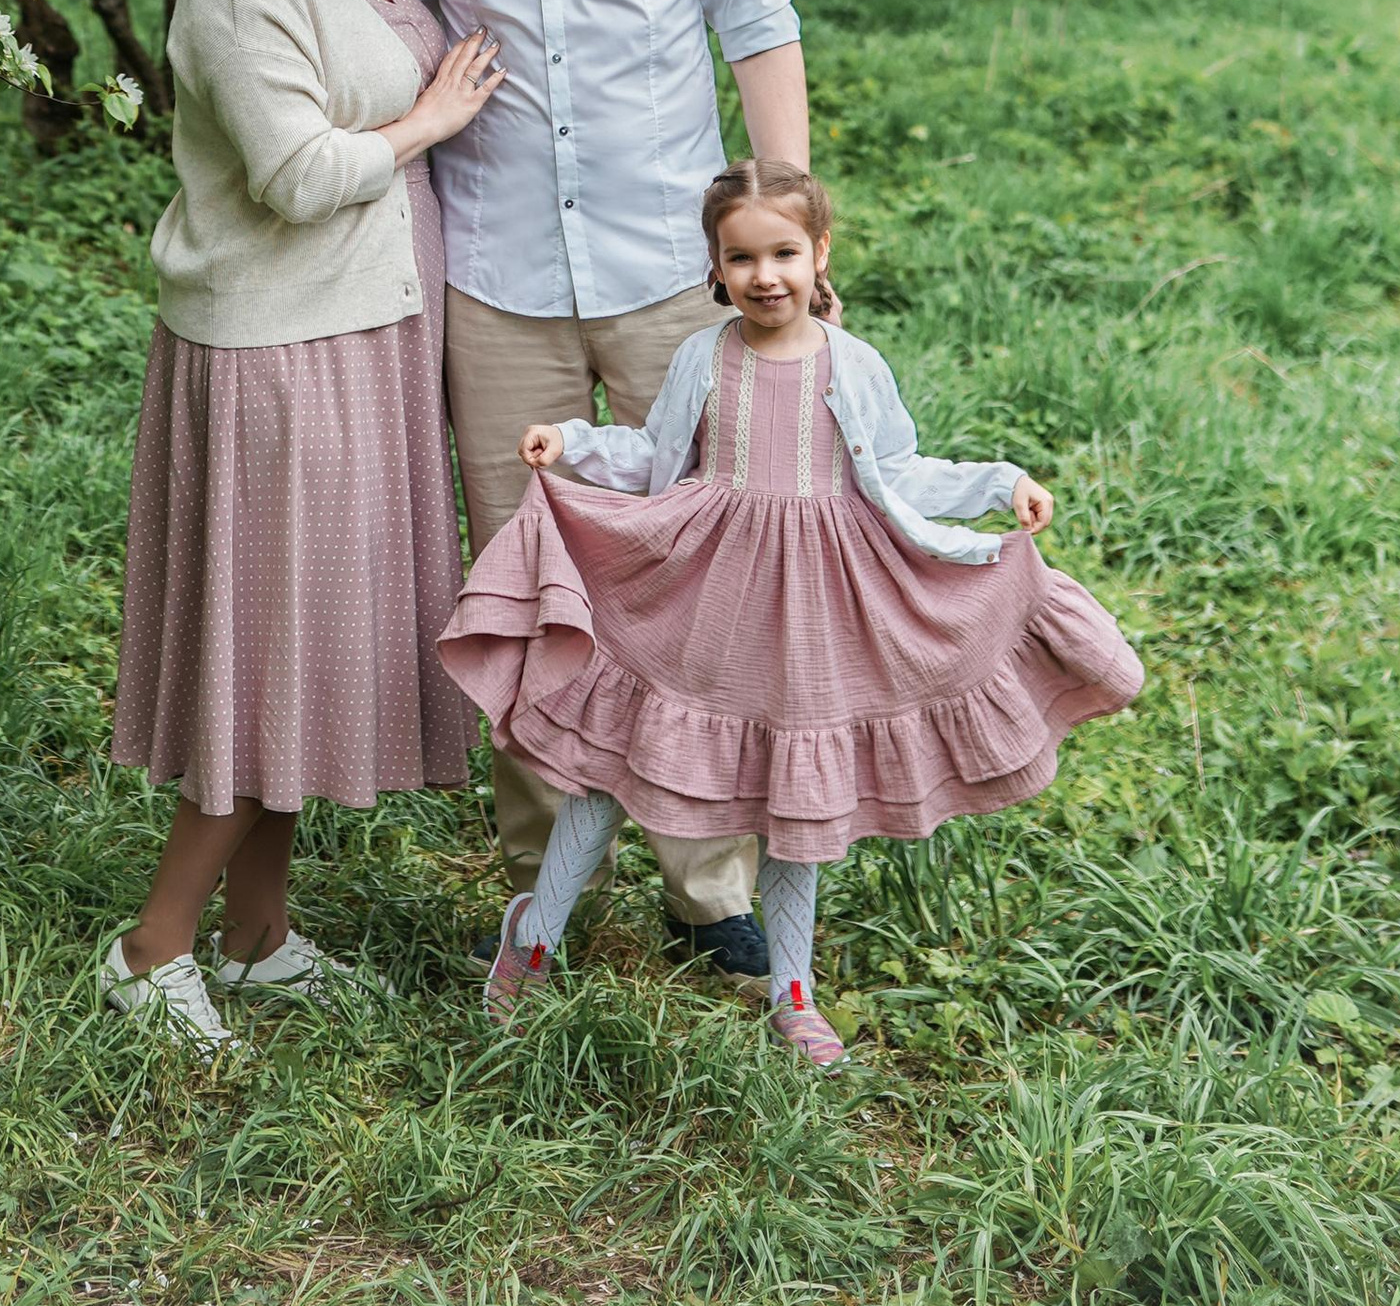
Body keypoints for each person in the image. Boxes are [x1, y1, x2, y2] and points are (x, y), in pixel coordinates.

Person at [443, 158, 1145, 1065]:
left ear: (820, 254)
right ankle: (532, 942)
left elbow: (900, 471)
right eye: (741, 259)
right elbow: (656, 456)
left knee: (797, 792)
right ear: (716, 267)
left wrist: (1000, 483)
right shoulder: (705, 356)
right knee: (614, 766)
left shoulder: (852, 367)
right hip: (703, 594)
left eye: (783, 253)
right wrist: (572, 442)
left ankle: (793, 990)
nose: (764, 276)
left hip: (817, 610)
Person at [380, 0, 805, 975]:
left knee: (702, 571)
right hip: (496, 271)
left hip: (667, 273)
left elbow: (754, 13)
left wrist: (781, 220)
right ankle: (534, 891)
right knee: (524, 585)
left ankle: (708, 891)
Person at [102, 0, 507, 1053]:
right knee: (266, 654)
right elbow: (292, 173)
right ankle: (151, 950)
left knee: (297, 647)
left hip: (361, 334)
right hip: (282, 352)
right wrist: (430, 125)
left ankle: (259, 937)